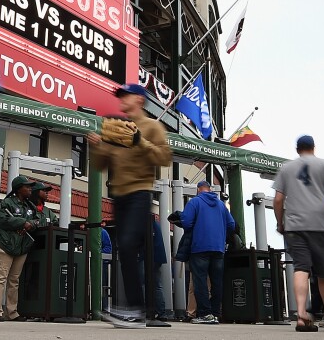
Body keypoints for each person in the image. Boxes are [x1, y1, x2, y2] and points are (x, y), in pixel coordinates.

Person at [88, 83, 172, 328]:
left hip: (139, 193)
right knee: (123, 251)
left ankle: (137, 310)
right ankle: (135, 310)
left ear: (139, 99)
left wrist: (139, 141)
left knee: (127, 245)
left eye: (126, 96)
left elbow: (164, 158)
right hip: (119, 196)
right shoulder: (116, 128)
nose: (121, 99)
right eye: (120, 96)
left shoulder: (153, 127)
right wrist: (97, 146)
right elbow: (101, 165)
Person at [273, 135, 324, 332]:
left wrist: (280, 222)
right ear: (313, 148)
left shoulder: (286, 168)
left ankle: (302, 316)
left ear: (297, 149)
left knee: (301, 269)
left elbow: (278, 199)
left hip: (295, 226)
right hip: (321, 226)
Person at [181, 180, 235, 325]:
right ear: (210, 190)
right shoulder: (221, 205)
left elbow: (186, 222)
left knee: (200, 282)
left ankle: (205, 314)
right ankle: (216, 313)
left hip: (200, 247)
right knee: (217, 282)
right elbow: (231, 225)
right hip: (218, 248)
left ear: (198, 190)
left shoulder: (194, 202)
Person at [0, 175, 39, 322]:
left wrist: (31, 224)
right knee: (0, 278)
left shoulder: (31, 206)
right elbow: (3, 220)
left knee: (14, 281)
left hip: (22, 247)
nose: (30, 189)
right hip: (6, 245)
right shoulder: (7, 203)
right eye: (27, 186)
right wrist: (24, 223)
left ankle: (12, 312)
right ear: (18, 189)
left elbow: (39, 219)